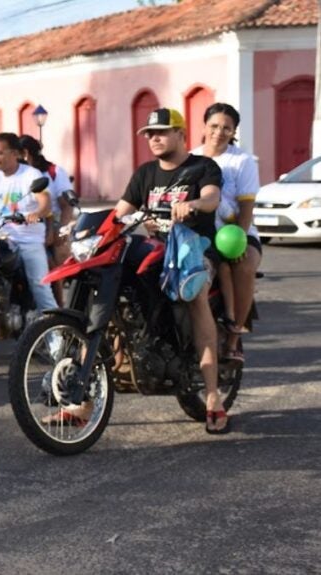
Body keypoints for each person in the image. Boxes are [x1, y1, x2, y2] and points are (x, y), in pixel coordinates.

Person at [115, 108, 226, 433]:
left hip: (195, 250)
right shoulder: (145, 173)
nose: (154, 138)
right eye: (149, 133)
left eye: (162, 131)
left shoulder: (202, 167)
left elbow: (212, 198)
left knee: (196, 294)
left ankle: (213, 396)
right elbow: (121, 212)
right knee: (110, 290)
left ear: (181, 134)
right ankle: (82, 401)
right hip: (157, 250)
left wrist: (192, 205)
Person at [192, 103, 262, 365]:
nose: (219, 132)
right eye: (214, 126)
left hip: (236, 233)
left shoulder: (242, 161)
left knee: (243, 266)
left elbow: (246, 207)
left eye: (226, 128)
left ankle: (233, 339)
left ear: (233, 132)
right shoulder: (191, 157)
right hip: (202, 234)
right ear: (204, 126)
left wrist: (240, 241)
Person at [0, 133, 57, 316]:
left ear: (15, 154)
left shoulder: (30, 175)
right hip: (2, 239)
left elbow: (45, 201)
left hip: (29, 240)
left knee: (40, 286)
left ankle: (56, 336)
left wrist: (36, 213)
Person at [19, 134, 75, 304]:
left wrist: (60, 230)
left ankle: (58, 307)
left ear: (25, 153)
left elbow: (66, 205)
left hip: (52, 222)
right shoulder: (17, 174)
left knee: (53, 267)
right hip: (24, 224)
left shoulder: (53, 172)